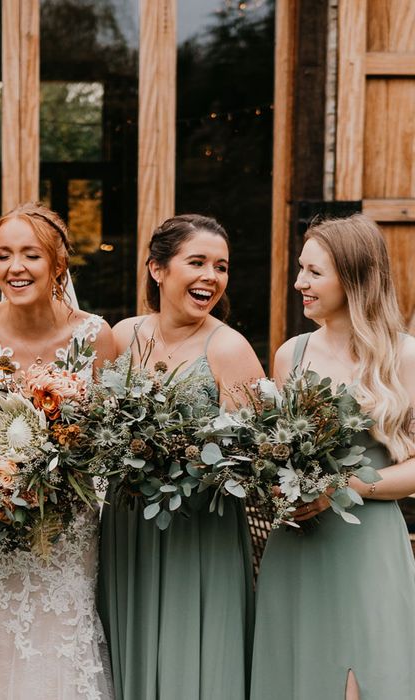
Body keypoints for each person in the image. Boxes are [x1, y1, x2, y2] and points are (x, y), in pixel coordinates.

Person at [0, 203, 116, 699]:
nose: (14, 268)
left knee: (61, 639)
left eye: (30, 255)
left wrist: (57, 472)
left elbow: (103, 440)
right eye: (3, 255)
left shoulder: (94, 335)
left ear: (58, 264)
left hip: (67, 526)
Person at [98, 214, 264, 699]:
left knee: (192, 658)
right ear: (158, 269)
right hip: (128, 525)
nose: (211, 277)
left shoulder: (229, 349)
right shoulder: (122, 336)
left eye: (221, 266)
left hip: (198, 531)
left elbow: (252, 455)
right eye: (197, 262)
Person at [250, 214, 415, 699]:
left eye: (314, 272)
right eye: (301, 269)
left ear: (354, 276)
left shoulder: (403, 357)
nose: (299, 282)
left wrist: (344, 488)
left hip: (368, 547)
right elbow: (278, 449)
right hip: (297, 546)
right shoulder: (290, 354)